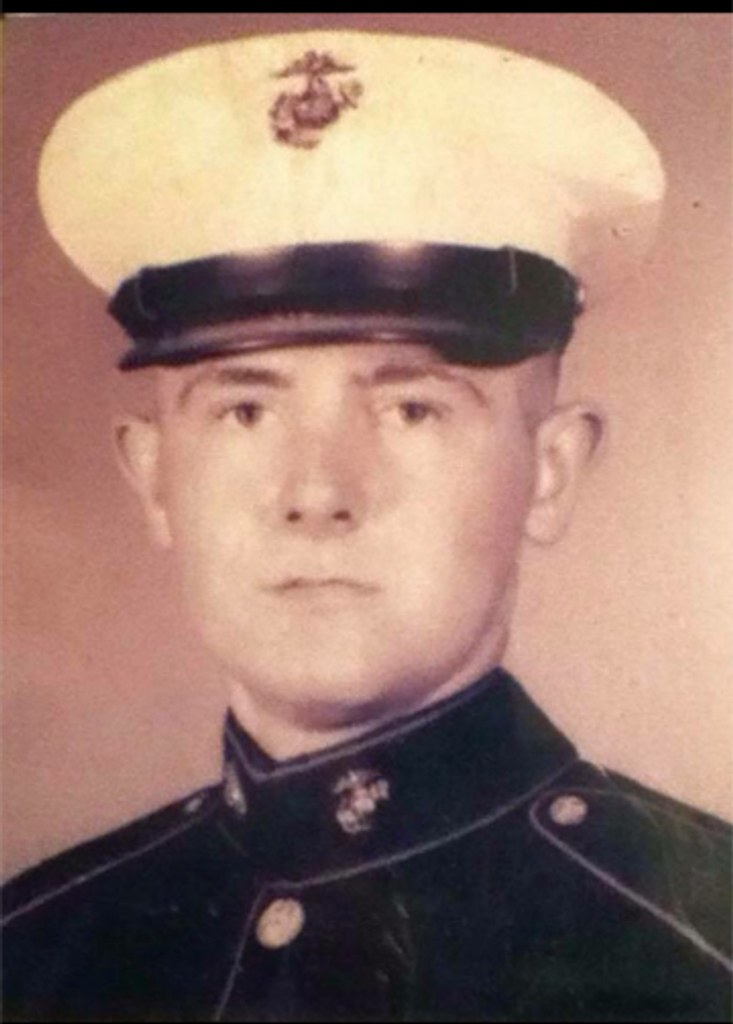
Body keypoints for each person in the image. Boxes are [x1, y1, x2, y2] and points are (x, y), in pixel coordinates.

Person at [1, 29, 732, 1023]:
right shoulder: (33, 951)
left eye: (410, 408)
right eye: (244, 410)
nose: (316, 492)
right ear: (154, 478)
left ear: (550, 472)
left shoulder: (700, 952)